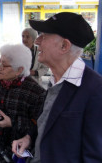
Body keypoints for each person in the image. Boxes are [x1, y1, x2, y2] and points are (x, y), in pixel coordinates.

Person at [12, 12, 102, 163]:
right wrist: (30, 137)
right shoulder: (56, 79)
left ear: (64, 46)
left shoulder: (95, 91)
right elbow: (48, 120)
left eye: (44, 36)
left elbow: (94, 157)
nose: (37, 41)